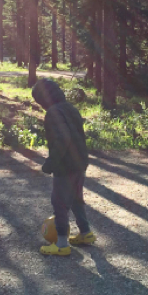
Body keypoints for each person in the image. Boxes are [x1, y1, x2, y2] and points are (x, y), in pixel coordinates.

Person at [31, 79, 95, 256]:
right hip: (80, 163)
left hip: (65, 165)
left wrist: (50, 163)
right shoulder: (71, 108)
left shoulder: (53, 113)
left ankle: (61, 244)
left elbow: (63, 139)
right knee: (76, 199)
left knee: (59, 203)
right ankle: (85, 233)